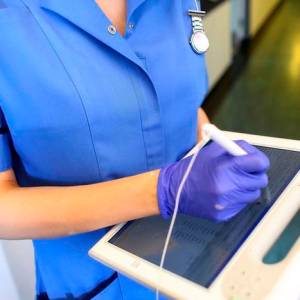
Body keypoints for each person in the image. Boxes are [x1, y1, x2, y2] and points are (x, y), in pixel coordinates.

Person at [0, 0, 269, 299]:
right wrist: (162, 191)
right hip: (97, 283)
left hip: (199, 262)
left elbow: (186, 104)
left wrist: (215, 150)